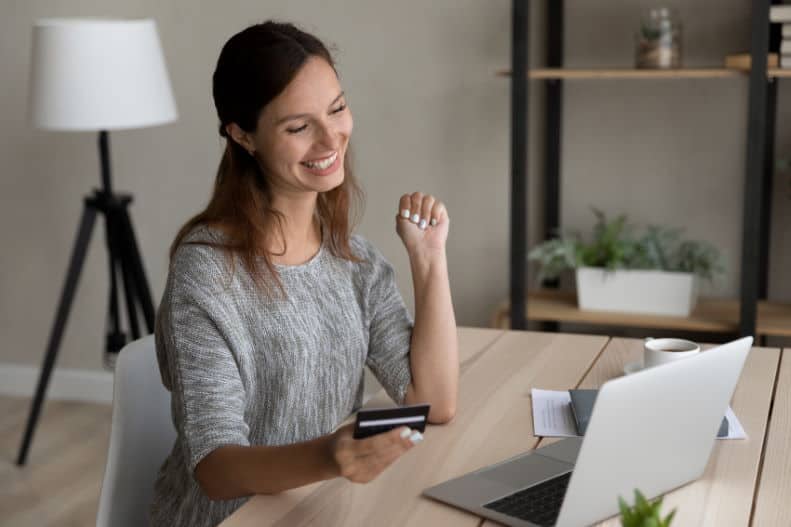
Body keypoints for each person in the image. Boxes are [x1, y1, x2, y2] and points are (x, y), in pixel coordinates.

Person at [149, 21, 458, 527]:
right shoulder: (206, 273)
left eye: (336, 109)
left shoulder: (353, 259)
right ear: (243, 134)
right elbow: (213, 468)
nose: (330, 136)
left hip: (319, 510)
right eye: (298, 127)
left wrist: (428, 261)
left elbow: (432, 403)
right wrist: (328, 457)